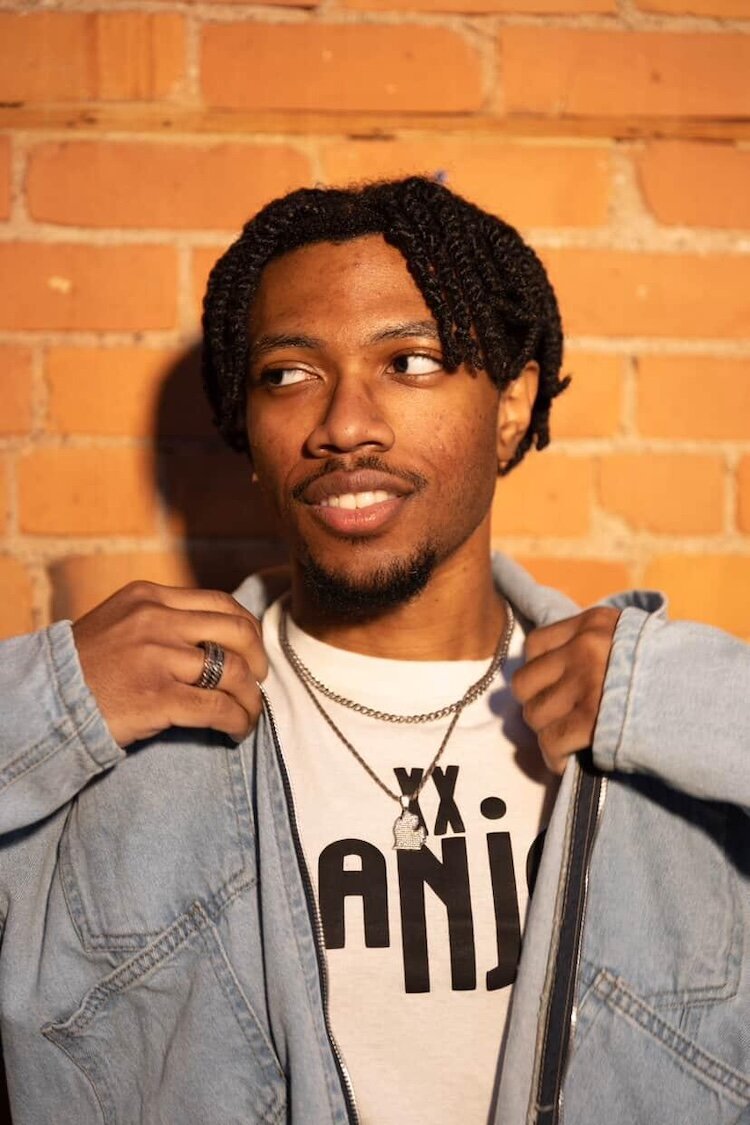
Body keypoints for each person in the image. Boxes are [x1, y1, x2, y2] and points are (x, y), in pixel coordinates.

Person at [0, 177, 747, 1125]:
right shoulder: (128, 741)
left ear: (511, 405)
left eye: (411, 361)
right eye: (288, 374)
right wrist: (52, 701)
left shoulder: (658, 740)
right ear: (249, 429)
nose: (345, 425)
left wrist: (677, 700)